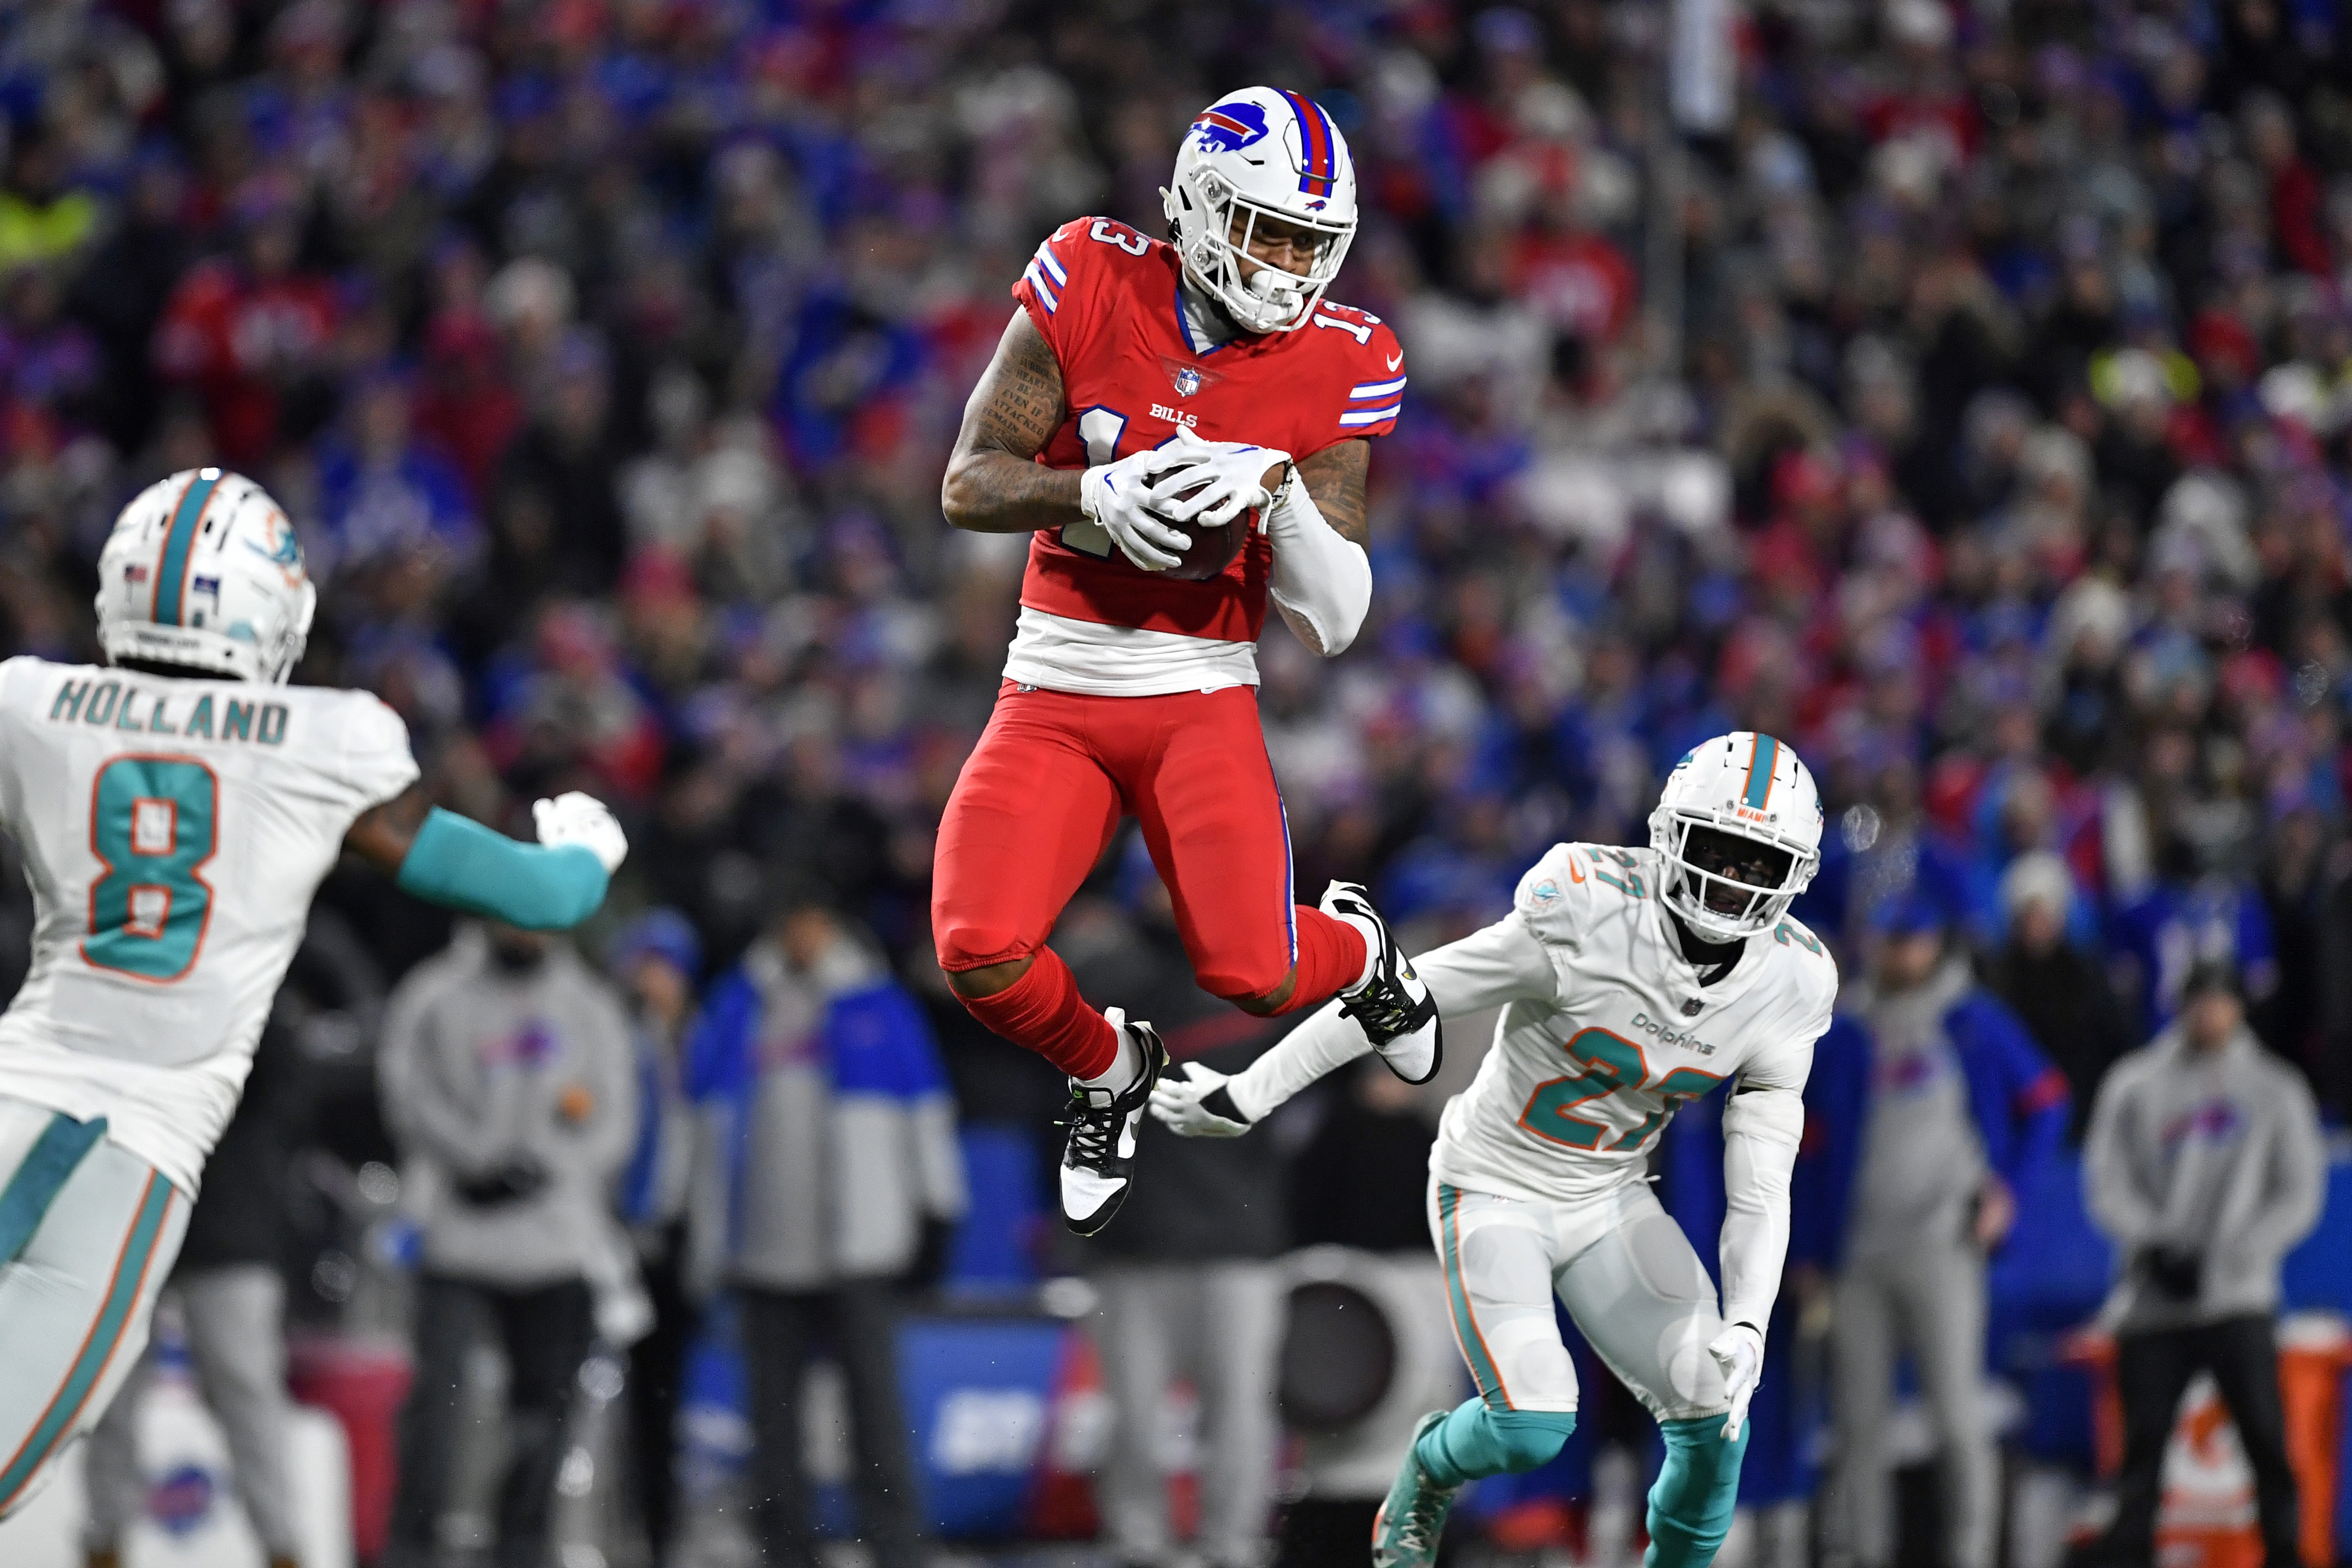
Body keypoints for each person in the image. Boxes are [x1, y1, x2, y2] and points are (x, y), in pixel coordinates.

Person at [0, 467, 627, 1520]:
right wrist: (582, 852)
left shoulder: (31, 701)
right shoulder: (319, 741)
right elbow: (530, 892)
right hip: (134, 1140)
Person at [931, 86, 1438, 1236]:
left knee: (1253, 973)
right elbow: (966, 483)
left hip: (1197, 691)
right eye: (1263, 229)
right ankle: (1108, 1068)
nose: (1284, 265)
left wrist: (1270, 491)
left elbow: (1335, 617)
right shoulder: (1090, 273)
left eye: (1310, 241)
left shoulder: (1343, 356)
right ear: (1199, 208)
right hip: (1055, 679)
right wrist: (1088, 489)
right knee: (977, 952)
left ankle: (1361, 955)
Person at [1156, 732, 1839, 1568]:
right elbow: (1399, 996)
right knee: (1532, 1423)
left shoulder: (1791, 980)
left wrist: (1747, 1319)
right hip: (1495, 1183)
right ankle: (1429, 1466)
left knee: (1716, 1413)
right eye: (1720, 850)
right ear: (1669, 835)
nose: (1731, 880)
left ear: (1795, 876)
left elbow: (1761, 1178)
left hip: (1610, 1195)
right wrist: (1252, 1089)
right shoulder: (1589, 908)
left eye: (1757, 862)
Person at [685, 880, 968, 1568]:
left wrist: (940, 1207)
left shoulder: (878, 1002)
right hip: (765, 1244)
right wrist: (699, 1234)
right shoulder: (739, 1006)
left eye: (816, 920)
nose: (804, 935)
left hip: (861, 1245)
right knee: (772, 1419)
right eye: (793, 920)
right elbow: (701, 1124)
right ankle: (784, 1547)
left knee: (877, 1410)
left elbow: (925, 1113)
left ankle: (896, 1545)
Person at [1813, 895, 2068, 1568]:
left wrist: (2007, 1188)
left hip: (1942, 1241)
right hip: (1859, 1249)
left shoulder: (1971, 1019)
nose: (1904, 954)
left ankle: (1971, 1552)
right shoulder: (1848, 1028)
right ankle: (1864, 1552)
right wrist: (1807, 1245)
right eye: (1893, 941)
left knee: (1957, 1414)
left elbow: (2046, 1098)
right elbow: (1811, 1141)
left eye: (1914, 940)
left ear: (1935, 943)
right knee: (1858, 1425)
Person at [377, 920, 639, 1568]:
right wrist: (474, 1162)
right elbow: (407, 1090)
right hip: (459, 1234)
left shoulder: (589, 1004)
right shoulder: (436, 992)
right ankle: (414, 1546)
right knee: (438, 1409)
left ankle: (522, 1548)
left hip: (557, 1240)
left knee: (543, 1415)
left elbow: (617, 1118)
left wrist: (548, 1168)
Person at [2082, 959, 2325, 1568]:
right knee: (2139, 1457)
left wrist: (2228, 1256)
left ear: (2238, 1007)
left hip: (2237, 1299)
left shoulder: (2275, 1087)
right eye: (2197, 1001)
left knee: (2267, 1446)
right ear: (2179, 1005)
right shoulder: (2133, 1084)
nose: (2207, 1013)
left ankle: (2284, 1553)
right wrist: (2155, 1245)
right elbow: (2105, 1183)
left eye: (2220, 1000)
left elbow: (2298, 1193)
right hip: (2151, 1301)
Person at [82, 1015, 308, 1568]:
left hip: (229, 1216)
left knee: (247, 1389)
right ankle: (104, 1545)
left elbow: (289, 1089)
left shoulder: (245, 980)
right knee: (108, 1395)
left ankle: (282, 1549)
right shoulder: (112, 976)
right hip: (125, 1214)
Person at [608, 908, 706, 1568]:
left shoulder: (705, 1040)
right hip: (623, 1232)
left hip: (684, 1233)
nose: (656, 980)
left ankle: (661, 1532)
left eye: (666, 966)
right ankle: (613, 1527)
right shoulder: (616, 1039)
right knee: (616, 1392)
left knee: (667, 1393)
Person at [1979, 849, 2131, 1140]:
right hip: (2017, 1128)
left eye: (2044, 915)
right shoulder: (1995, 982)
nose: (2037, 925)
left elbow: (2117, 1045)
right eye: (2029, 915)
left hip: (2082, 1124)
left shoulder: (2088, 976)